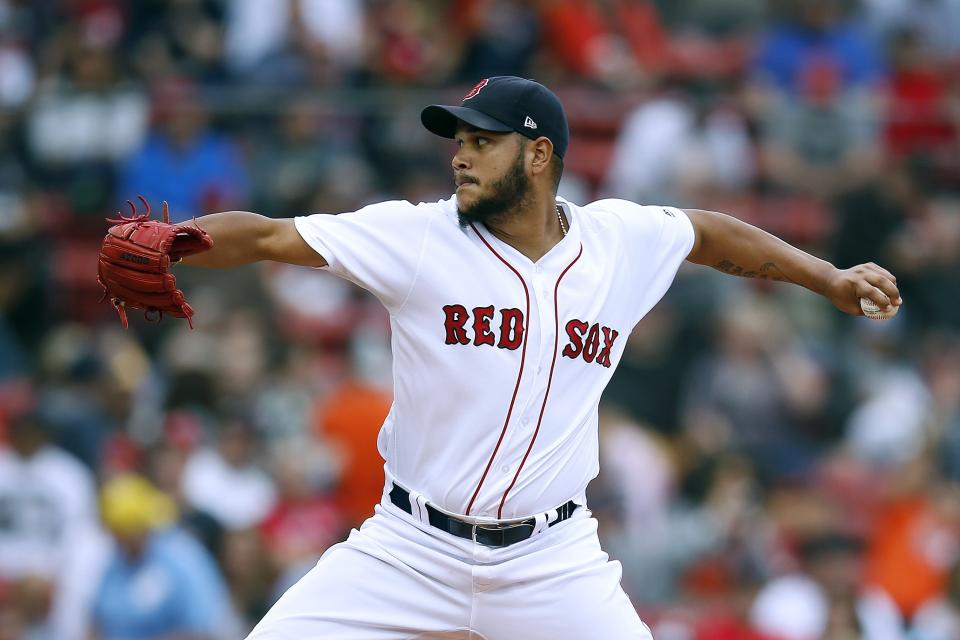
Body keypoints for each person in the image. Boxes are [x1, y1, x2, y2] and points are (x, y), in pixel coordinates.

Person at [172, 76, 900, 639]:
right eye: (457, 138)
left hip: (548, 560)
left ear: (539, 153)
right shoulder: (420, 238)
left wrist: (826, 277)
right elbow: (269, 237)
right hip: (409, 547)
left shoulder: (618, 241)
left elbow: (709, 234)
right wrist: (170, 243)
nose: (460, 153)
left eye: (483, 140)